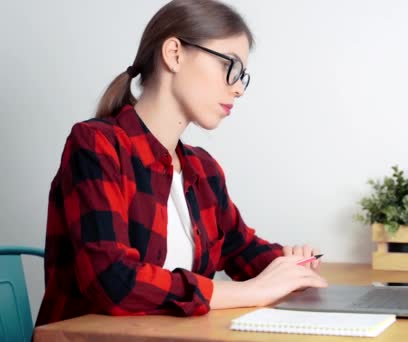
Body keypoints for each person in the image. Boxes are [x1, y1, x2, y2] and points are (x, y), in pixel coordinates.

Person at [35, 0, 327, 327]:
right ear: (174, 54)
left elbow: (241, 249)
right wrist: (253, 292)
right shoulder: (96, 145)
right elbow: (112, 280)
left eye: (242, 74)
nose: (239, 88)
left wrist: (291, 263)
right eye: (229, 66)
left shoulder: (203, 170)